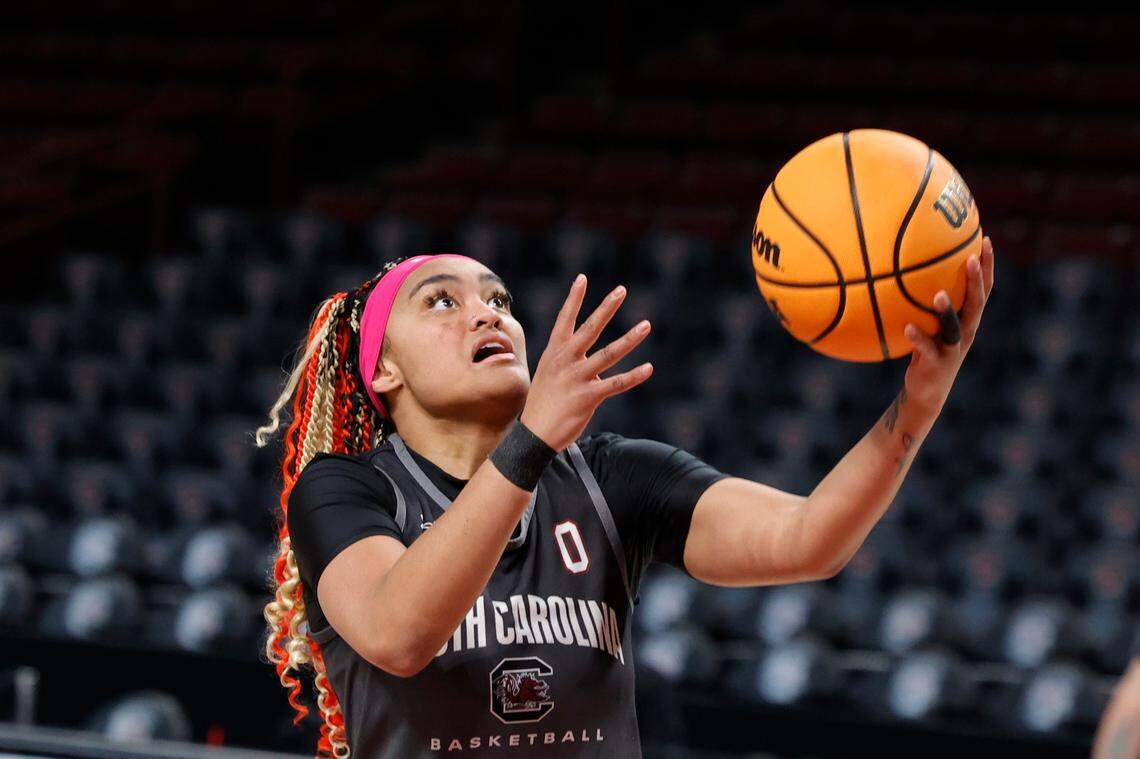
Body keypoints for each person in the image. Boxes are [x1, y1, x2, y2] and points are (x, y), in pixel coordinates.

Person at [253, 241, 994, 758]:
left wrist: (920, 401)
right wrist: (530, 440)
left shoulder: (611, 478)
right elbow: (398, 632)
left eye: (499, 299)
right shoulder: (345, 489)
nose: (487, 314)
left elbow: (810, 538)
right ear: (383, 369)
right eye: (441, 301)